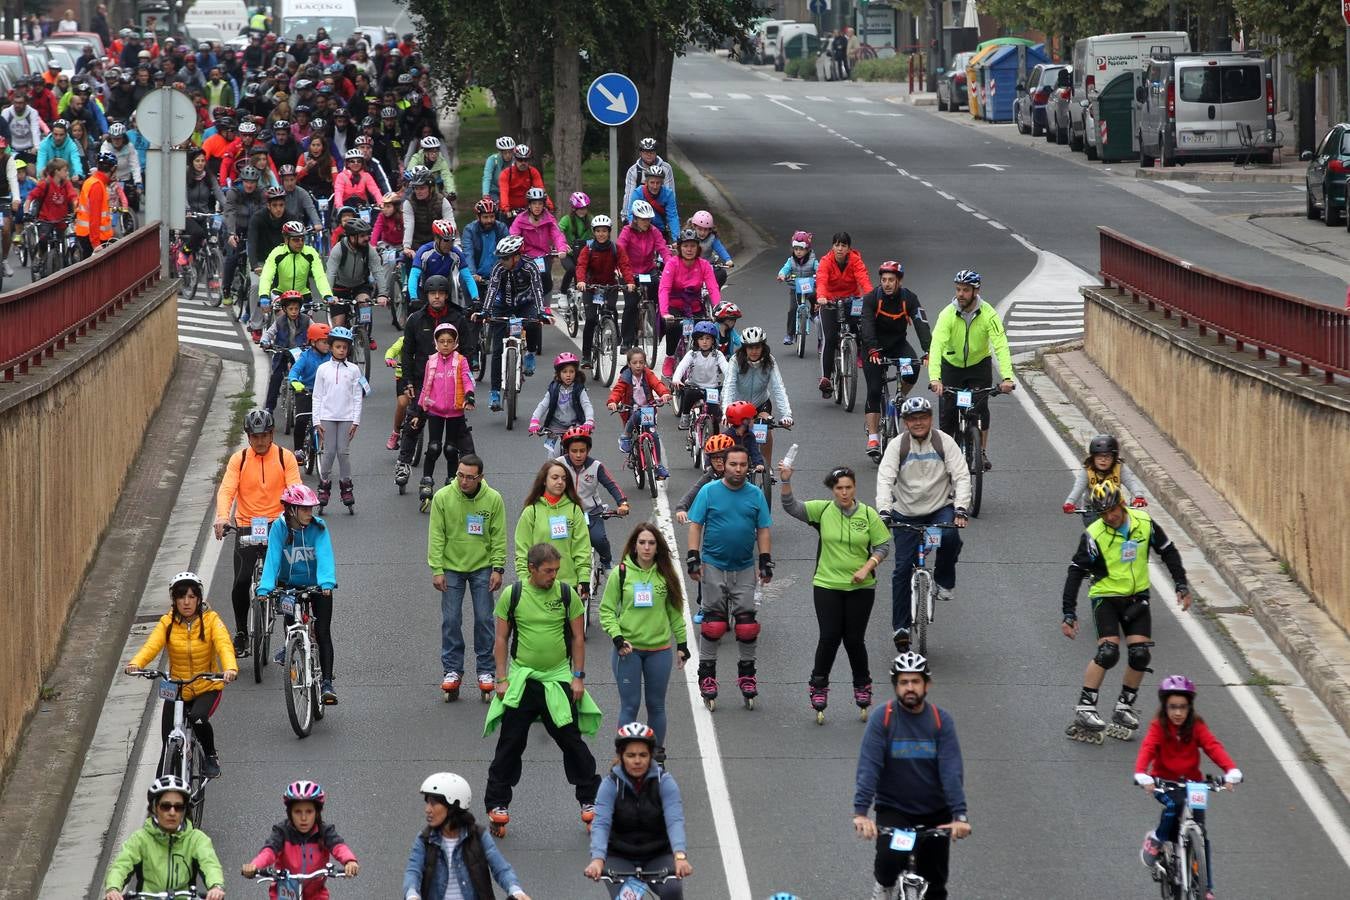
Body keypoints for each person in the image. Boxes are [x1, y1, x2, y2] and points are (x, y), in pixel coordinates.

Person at [484, 543, 602, 835]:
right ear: (532, 569)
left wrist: (578, 677)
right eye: (548, 571)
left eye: (556, 571)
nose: (553, 576)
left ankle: (590, 801)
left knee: (572, 742)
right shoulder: (513, 595)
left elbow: (577, 638)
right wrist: (501, 678)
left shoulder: (566, 594)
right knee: (510, 743)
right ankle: (498, 803)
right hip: (523, 679)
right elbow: (501, 639)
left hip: (557, 679)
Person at [1061, 481, 1192, 743]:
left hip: (1137, 597)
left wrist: (1180, 583)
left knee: (1140, 655)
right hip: (1106, 597)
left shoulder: (1143, 522)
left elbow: (1168, 551)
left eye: (1113, 510)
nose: (1111, 516)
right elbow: (1076, 571)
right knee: (1108, 652)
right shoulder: (1094, 534)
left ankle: (1124, 707)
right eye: (1104, 513)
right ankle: (1086, 708)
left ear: (1122, 503)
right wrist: (1069, 612)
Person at [853, 652, 971, 900]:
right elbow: (869, 766)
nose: (910, 688)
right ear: (896, 686)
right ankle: (884, 889)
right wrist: (861, 813)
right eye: (904, 682)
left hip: (935, 814)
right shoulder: (882, 718)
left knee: (936, 886)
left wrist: (959, 815)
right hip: (896, 811)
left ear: (926, 684)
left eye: (915, 681)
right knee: (889, 862)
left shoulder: (941, 721)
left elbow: (951, 770)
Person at [779, 462, 890, 721]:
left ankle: (862, 685)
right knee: (829, 636)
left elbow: (883, 546)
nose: (844, 493)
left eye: (848, 487)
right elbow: (791, 507)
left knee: (854, 639)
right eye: (839, 488)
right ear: (833, 490)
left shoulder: (868, 515)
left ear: (854, 488)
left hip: (861, 587)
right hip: (827, 584)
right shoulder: (823, 510)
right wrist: (785, 481)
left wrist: (867, 567)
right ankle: (819, 686)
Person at [1134, 676, 1242, 899]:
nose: (1178, 713)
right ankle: (1157, 839)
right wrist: (1142, 774)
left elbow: (1212, 746)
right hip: (1164, 783)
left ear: (1189, 708)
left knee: (1201, 834)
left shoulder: (1197, 726)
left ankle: (1206, 887)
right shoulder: (1158, 727)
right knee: (1175, 805)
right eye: (1173, 707)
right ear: (1165, 707)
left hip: (1194, 785)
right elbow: (1148, 748)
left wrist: (1231, 770)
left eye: (1182, 708)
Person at [874, 396, 969, 650]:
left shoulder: (943, 442)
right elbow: (884, 480)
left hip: (939, 509)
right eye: (912, 419)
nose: (918, 423)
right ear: (905, 422)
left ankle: (944, 580)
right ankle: (901, 627)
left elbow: (961, 476)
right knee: (902, 569)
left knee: (950, 537)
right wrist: (884, 511)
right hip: (905, 512)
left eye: (923, 417)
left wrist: (961, 508)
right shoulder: (897, 446)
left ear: (931, 419)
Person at [126, 572, 238, 778]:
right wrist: (136, 663)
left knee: (197, 718)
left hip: (206, 686)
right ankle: (162, 793)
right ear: (174, 600)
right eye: (181, 597)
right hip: (177, 687)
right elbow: (152, 645)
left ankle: (211, 755)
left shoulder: (211, 620)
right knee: (168, 741)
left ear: (199, 598)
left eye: (191, 597)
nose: (186, 602)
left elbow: (224, 645)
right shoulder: (167, 622)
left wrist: (229, 669)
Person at [686, 444, 772, 708]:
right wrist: (693, 557)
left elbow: (763, 528)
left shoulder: (755, 494)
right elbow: (696, 524)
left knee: (746, 625)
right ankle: (707, 676)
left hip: (744, 566)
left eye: (743, 465)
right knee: (713, 624)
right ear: (725, 464)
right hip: (714, 565)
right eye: (733, 464)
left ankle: (747, 674)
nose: (738, 469)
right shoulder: (709, 491)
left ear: (748, 466)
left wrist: (765, 560)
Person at [213, 408, 303, 653]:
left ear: (272, 434)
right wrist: (222, 517)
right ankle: (241, 633)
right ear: (248, 436)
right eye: (254, 436)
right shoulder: (239, 459)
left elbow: (296, 490)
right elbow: (227, 490)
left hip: (279, 524)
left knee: (287, 582)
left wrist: (295, 517)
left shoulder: (285, 458)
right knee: (241, 582)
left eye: (264, 435)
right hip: (247, 525)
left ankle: (291, 635)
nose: (260, 441)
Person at [600, 524, 688, 760]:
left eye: (651, 543)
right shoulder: (622, 573)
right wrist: (618, 639)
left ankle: (656, 756)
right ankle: (623, 757)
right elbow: (606, 610)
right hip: (628, 651)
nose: (647, 547)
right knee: (630, 705)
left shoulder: (665, 574)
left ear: (657, 547)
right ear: (634, 546)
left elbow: (675, 612)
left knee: (656, 705)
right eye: (642, 543)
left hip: (659, 650)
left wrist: (682, 645)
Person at [428, 453, 506, 701]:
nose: (463, 481)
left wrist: (498, 567)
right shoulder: (442, 497)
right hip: (451, 567)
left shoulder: (493, 499)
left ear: (480, 477)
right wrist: (437, 569)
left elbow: (498, 535)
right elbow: (436, 535)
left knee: (484, 619)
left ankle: (486, 671)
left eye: (469, 477)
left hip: (482, 567)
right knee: (451, 620)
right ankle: (452, 669)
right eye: (460, 475)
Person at [584, 723, 692, 899]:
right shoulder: (610, 784)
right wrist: (597, 859)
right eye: (631, 755)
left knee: (672, 891)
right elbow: (601, 823)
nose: (637, 761)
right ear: (621, 756)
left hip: (657, 854)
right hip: (620, 857)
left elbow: (675, 820)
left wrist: (679, 856)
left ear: (651, 756)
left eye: (643, 755)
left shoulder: (664, 782)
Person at [256, 483, 340, 702]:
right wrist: (264, 588)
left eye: (310, 508)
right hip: (289, 585)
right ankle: (290, 645)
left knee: (322, 632)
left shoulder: (318, 528)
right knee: (290, 618)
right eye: (304, 509)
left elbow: (324, 555)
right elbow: (273, 559)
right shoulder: (279, 528)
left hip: (317, 586)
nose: (309, 513)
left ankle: (327, 684)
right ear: (291, 509)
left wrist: (327, 582)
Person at [926, 269, 1015, 469]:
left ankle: (981, 452)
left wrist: (1007, 377)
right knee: (947, 417)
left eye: (965, 290)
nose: (960, 294)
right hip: (952, 366)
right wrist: (935, 378)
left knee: (981, 408)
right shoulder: (947, 314)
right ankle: (947, 462)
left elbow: (1000, 345)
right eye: (958, 289)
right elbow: (936, 345)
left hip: (978, 366)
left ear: (976, 290)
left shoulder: (988, 314)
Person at [403, 772, 531, 899]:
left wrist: (516, 891)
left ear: (453, 806)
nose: (427, 809)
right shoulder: (425, 839)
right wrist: (412, 894)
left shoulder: (478, 836)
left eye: (433, 803)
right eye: (427, 803)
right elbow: (413, 871)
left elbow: (501, 869)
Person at [396, 275, 470, 487]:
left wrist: (465, 385)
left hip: (451, 382)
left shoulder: (458, 318)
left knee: (460, 432)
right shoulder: (416, 320)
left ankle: (471, 471)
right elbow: (407, 352)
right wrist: (407, 381)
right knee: (414, 422)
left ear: (447, 295)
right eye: (432, 293)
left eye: (440, 293)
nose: (436, 297)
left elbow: (468, 350)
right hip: (422, 381)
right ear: (426, 295)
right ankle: (403, 463)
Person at [102, 775, 227, 900]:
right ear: (155, 808)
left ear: (184, 811)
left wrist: (216, 887)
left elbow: (210, 865)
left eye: (178, 807)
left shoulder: (197, 839)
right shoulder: (140, 839)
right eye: (166, 806)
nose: (172, 812)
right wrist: (113, 889)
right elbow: (121, 866)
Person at [860, 260, 932, 460]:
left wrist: (928, 350)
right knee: (874, 389)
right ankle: (873, 437)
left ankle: (899, 397)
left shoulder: (909, 298)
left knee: (914, 368)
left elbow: (921, 324)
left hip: (898, 344)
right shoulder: (871, 298)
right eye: (883, 280)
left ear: (899, 281)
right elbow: (866, 324)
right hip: (874, 347)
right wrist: (872, 349)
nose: (887, 284)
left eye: (891, 280)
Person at [242, 781, 359, 892]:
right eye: (298, 812)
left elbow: (338, 846)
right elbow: (269, 851)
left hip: (316, 894)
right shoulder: (282, 831)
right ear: (290, 813)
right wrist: (255, 866)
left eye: (309, 812)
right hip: (285, 892)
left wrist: (349, 861)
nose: (304, 818)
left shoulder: (325, 831)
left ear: (317, 813)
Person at [476, 234, 547, 410]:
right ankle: (494, 392)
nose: (502, 261)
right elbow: (491, 289)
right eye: (500, 258)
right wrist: (485, 311)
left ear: (517, 255)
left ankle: (530, 353)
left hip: (526, 304)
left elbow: (538, 289)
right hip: (502, 306)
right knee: (498, 350)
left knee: (533, 323)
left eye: (506, 258)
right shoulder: (498, 269)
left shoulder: (530, 267)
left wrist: (541, 312)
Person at [409, 322, 477, 506]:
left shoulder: (460, 361)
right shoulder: (431, 362)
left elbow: (468, 380)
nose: (445, 344)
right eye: (441, 341)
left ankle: (451, 482)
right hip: (435, 411)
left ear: (455, 343)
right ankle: (427, 481)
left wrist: (469, 397)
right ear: (436, 343)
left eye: (449, 341)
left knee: (451, 449)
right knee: (434, 447)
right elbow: (425, 388)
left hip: (455, 412)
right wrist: (418, 412)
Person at [555, 426, 628, 573]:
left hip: (591, 513)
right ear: (567, 450)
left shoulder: (596, 467)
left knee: (599, 539)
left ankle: (607, 563)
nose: (578, 455)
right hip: (564, 512)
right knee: (558, 542)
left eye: (582, 451)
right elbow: (545, 484)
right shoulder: (558, 464)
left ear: (588, 450)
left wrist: (622, 503)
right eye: (574, 451)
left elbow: (612, 485)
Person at [513, 460, 592, 597]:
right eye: (555, 478)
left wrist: (584, 579)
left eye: (564, 478)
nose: (560, 482)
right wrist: (524, 581)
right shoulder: (531, 512)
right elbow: (522, 551)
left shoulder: (574, 510)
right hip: (537, 585)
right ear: (544, 481)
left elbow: (582, 548)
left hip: (568, 586)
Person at [721, 326, 793, 467]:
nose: (754, 351)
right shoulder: (736, 360)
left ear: (763, 347)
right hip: (738, 406)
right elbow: (729, 386)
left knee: (765, 428)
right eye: (750, 348)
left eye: (757, 347)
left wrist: (786, 415)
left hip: (761, 403)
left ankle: (767, 467)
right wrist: (725, 411)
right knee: (733, 436)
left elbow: (778, 387)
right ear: (744, 348)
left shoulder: (770, 361)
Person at [312, 326, 365, 511]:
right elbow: (317, 396)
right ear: (331, 347)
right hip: (327, 416)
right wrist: (316, 421)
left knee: (343, 452)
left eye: (344, 347)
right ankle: (324, 484)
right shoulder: (322, 369)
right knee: (328, 452)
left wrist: (356, 421)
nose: (341, 350)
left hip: (346, 417)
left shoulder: (354, 370)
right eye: (338, 347)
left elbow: (358, 396)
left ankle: (346, 486)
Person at [815, 232, 872, 399]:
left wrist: (870, 297)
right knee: (830, 338)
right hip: (829, 302)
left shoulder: (855, 260)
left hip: (851, 301)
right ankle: (826, 377)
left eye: (844, 245)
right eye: (837, 245)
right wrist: (822, 297)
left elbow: (864, 279)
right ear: (833, 246)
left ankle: (857, 354)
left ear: (849, 248)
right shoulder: (826, 261)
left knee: (860, 330)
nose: (840, 248)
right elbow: (822, 280)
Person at [657, 228, 720, 377]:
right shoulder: (672, 264)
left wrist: (718, 308)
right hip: (675, 305)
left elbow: (713, 287)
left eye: (692, 246)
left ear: (698, 248)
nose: (689, 249)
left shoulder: (704, 264)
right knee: (674, 328)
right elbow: (664, 288)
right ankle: (670, 357)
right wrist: (665, 312)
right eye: (685, 246)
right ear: (679, 248)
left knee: (705, 330)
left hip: (694, 306)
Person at [575, 214, 636, 365]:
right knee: (590, 319)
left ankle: (614, 331)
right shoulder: (587, 249)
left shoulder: (616, 248)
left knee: (610, 308)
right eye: (598, 231)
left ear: (609, 232)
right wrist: (581, 281)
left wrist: (629, 282)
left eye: (604, 231)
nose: (601, 234)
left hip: (610, 286)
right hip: (591, 288)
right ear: (593, 232)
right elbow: (581, 266)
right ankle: (586, 355)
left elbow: (625, 265)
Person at [606, 347, 672, 478]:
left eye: (641, 362)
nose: (638, 365)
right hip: (630, 410)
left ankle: (658, 465)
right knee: (637, 414)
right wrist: (612, 401)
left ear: (645, 363)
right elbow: (618, 391)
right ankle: (625, 435)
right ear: (629, 364)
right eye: (635, 363)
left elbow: (657, 384)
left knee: (653, 435)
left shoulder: (648, 374)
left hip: (648, 410)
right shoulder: (625, 376)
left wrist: (664, 393)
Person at [1064, 434, 1147, 524]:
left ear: (1114, 458)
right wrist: (1070, 503)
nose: (1103, 460)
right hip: (1092, 509)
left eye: (1107, 457)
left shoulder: (1119, 468)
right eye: (1099, 456)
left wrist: (1139, 497)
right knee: (1094, 532)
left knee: (1129, 528)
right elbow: (1078, 488)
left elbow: (1131, 483)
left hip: (1116, 507)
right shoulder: (1087, 470)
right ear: (1093, 457)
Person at [615, 200, 665, 348]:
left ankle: (658, 328)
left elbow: (663, 249)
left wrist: (671, 267)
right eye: (643, 219)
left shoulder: (654, 231)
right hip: (630, 272)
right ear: (635, 219)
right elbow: (620, 251)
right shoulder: (627, 232)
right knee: (630, 304)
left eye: (648, 219)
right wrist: (619, 270)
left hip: (648, 270)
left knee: (660, 299)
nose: (646, 222)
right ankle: (627, 339)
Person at [259, 291, 313, 414]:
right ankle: (269, 408)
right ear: (284, 309)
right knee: (276, 378)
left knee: (306, 377)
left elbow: (315, 330)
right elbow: (269, 333)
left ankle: (307, 406)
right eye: (290, 309)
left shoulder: (306, 320)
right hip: (282, 352)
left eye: (296, 308)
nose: (294, 311)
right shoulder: (279, 321)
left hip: (301, 353)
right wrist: (264, 341)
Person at [528, 352, 594, 446]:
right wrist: (534, 421)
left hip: (575, 426)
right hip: (555, 427)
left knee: (576, 451)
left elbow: (587, 405)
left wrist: (589, 420)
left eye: (571, 371)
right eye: (564, 372)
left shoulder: (579, 389)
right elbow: (543, 405)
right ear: (558, 373)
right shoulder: (554, 389)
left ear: (576, 373)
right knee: (553, 456)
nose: (568, 375)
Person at [671, 321, 727, 430]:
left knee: (715, 415)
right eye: (701, 339)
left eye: (708, 338)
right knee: (689, 395)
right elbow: (681, 367)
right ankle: (685, 416)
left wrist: (731, 380)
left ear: (713, 340)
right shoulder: (692, 354)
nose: (704, 342)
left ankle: (713, 436)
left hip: (711, 389)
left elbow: (727, 369)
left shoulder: (718, 355)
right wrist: (676, 379)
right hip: (694, 386)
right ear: (696, 341)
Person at [288, 324, 332, 463]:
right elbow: (294, 372)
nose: (328, 346)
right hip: (306, 391)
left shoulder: (332, 357)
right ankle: (299, 450)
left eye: (329, 343)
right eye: (324, 342)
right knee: (301, 419)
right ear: (313, 342)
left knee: (330, 420)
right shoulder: (305, 357)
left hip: (325, 393)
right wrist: (295, 381)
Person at [775, 230, 818, 345]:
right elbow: (785, 269)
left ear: (807, 249)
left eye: (801, 249)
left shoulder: (813, 260)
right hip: (795, 288)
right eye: (796, 249)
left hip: (809, 287)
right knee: (792, 309)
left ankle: (814, 313)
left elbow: (820, 270)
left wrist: (820, 276)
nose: (798, 252)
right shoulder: (791, 261)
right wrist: (782, 275)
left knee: (815, 296)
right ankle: (790, 334)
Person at [74, 150, 117, 257]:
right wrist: (96, 244)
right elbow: (95, 217)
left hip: (88, 234)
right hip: (93, 238)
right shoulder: (97, 186)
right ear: (113, 168)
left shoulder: (92, 181)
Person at [621, 138, 671, 222]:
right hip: (640, 214)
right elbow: (629, 195)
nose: (649, 155)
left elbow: (670, 192)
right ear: (640, 153)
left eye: (651, 152)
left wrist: (669, 219)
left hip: (659, 213)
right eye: (645, 152)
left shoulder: (666, 168)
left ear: (656, 153)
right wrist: (626, 217)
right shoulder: (633, 171)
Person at [627, 164, 679, 243]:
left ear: (662, 183)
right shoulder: (638, 193)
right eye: (652, 182)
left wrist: (676, 239)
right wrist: (636, 233)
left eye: (658, 183)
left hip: (660, 231)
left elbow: (672, 216)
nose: (655, 186)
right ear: (646, 182)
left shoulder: (668, 194)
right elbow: (631, 214)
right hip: (642, 230)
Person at [496, 143, 548, 217]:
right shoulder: (506, 173)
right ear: (515, 159)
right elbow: (504, 192)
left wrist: (549, 204)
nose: (523, 163)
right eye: (520, 160)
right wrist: (506, 209)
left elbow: (541, 190)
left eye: (526, 160)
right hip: (510, 210)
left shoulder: (533, 172)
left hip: (526, 209)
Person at [557, 190, 591, 294]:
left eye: (584, 208)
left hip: (583, 253)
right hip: (569, 254)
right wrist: (563, 245)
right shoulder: (566, 219)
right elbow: (558, 232)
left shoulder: (590, 219)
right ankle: (562, 293)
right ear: (573, 208)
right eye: (580, 209)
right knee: (572, 269)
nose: (583, 211)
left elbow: (596, 233)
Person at [687, 209, 732, 286]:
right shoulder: (688, 236)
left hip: (708, 265)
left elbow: (720, 249)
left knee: (721, 274)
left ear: (710, 229)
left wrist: (728, 259)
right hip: (691, 265)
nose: (702, 233)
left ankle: (714, 293)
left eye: (706, 230)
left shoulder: (712, 238)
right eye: (700, 229)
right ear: (694, 226)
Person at [482, 135, 516, 207]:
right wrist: (485, 194)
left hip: (510, 191)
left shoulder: (516, 161)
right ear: (500, 152)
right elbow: (487, 177)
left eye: (510, 152)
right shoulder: (492, 159)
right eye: (505, 153)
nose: (508, 155)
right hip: (494, 191)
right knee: (497, 208)